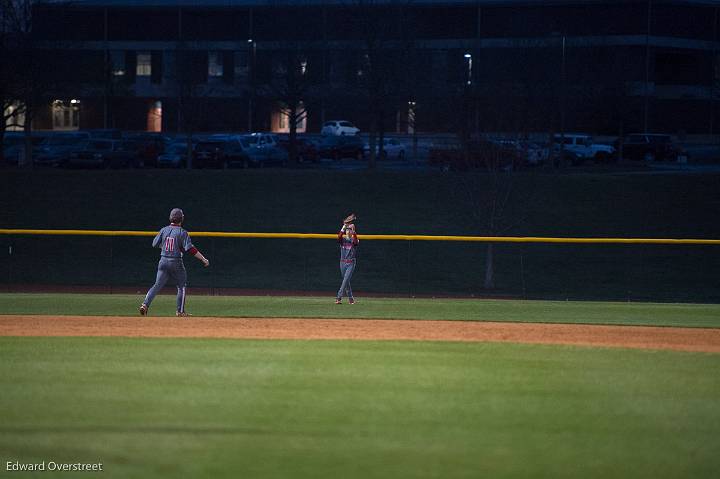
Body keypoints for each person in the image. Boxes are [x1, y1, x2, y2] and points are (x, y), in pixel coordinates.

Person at [139, 208, 209, 317]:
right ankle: (180, 311)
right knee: (182, 286)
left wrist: (165, 247)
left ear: (171, 218)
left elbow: (154, 244)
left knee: (157, 285)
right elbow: (190, 249)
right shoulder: (182, 232)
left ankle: (145, 304)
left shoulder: (163, 230)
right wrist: (203, 259)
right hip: (176, 261)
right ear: (182, 218)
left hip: (163, 261)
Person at [336, 214, 359, 304]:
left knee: (345, 280)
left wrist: (353, 231)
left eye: (349, 230)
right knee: (347, 281)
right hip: (342, 262)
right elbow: (338, 237)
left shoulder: (355, 240)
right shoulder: (343, 241)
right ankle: (351, 299)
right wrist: (344, 227)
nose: (348, 232)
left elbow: (355, 242)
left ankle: (338, 297)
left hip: (351, 263)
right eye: (347, 230)